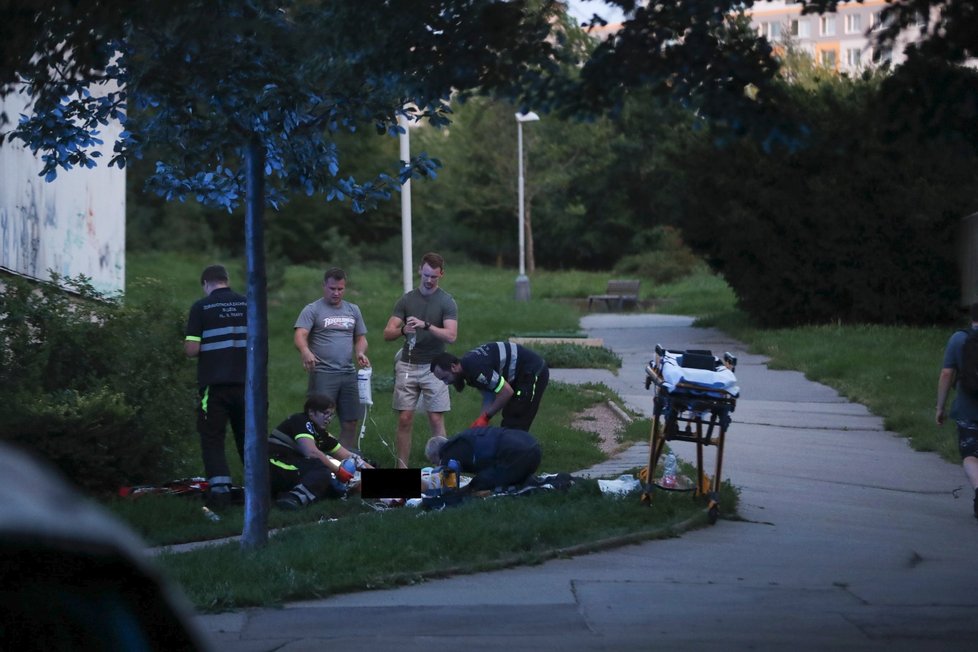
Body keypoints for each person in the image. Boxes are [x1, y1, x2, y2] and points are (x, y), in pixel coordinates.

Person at [382, 252, 458, 468]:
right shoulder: (407, 299)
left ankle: (442, 468)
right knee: (405, 418)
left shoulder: (446, 301)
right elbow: (387, 333)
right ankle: (401, 467)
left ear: (441, 275)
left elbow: (451, 336)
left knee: (435, 418)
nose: (428, 280)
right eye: (426, 275)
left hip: (435, 367)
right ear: (419, 271)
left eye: (433, 276)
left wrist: (426, 325)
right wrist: (403, 330)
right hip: (408, 363)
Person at [184, 264, 247, 510]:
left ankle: (220, 495)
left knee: (213, 439)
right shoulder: (246, 304)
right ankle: (260, 489)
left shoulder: (201, 307)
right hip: (246, 385)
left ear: (206, 284)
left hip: (214, 385)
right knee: (248, 437)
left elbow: (192, 349)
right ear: (226, 280)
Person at [294, 268, 370, 451]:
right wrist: (305, 351)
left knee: (351, 420)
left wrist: (360, 352)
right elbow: (300, 334)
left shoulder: (353, 310)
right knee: (320, 420)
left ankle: (345, 460)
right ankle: (317, 457)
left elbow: (360, 338)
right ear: (324, 286)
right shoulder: (313, 309)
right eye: (332, 288)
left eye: (340, 289)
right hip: (323, 372)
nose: (336, 293)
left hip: (348, 372)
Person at [269, 394, 372, 510]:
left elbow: (349, 456)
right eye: (325, 413)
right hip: (274, 466)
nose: (328, 418)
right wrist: (338, 471)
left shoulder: (322, 434)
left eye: (331, 415)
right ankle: (293, 498)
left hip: (289, 469)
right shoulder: (301, 421)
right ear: (311, 412)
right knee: (322, 470)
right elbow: (312, 452)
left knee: (332, 485)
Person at [430, 341, 549, 431]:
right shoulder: (468, 370)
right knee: (509, 418)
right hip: (520, 376)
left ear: (453, 367)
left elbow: (506, 392)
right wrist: (480, 422)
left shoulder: (475, 368)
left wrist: (486, 417)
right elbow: (489, 395)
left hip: (533, 371)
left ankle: (518, 457)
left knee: (516, 419)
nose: (445, 383)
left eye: (445, 378)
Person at [936, 301, 978, 519]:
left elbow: (946, 374)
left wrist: (940, 407)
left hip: (968, 408)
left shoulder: (959, 339)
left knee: (970, 455)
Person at [424, 426, 541, 493]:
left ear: (436, 456)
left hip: (519, 455)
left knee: (477, 485)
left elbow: (446, 491)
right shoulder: (462, 439)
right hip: (531, 445)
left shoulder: (448, 456)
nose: (436, 467)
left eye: (434, 463)